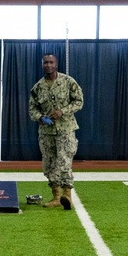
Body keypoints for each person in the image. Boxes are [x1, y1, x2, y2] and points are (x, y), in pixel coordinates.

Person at [28, 53, 83, 210]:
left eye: (51, 62)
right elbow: (32, 110)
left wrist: (63, 111)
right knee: (49, 164)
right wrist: (41, 118)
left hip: (65, 130)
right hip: (46, 133)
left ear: (56, 64)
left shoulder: (68, 82)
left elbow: (79, 101)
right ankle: (56, 197)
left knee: (64, 161)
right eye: (45, 62)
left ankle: (67, 195)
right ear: (42, 65)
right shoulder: (37, 88)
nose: (48, 65)